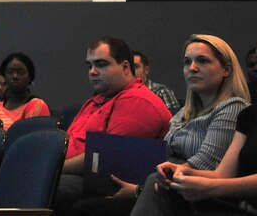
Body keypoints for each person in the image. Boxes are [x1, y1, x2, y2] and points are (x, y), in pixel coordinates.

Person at [67, 34, 249, 216]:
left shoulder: (233, 107)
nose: (192, 68)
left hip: (198, 197)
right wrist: (141, 187)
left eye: (202, 61)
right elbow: (162, 158)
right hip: (164, 188)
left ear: (226, 70)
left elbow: (204, 164)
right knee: (84, 208)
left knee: (82, 207)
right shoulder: (184, 113)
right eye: (187, 62)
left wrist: (140, 188)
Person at [131, 24, 257, 216]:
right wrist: (182, 171)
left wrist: (210, 188)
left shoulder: (235, 107)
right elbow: (222, 174)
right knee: (157, 183)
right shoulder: (252, 115)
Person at [53, 37, 171, 209]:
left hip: (106, 184)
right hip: (78, 175)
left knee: (47, 186)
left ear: (125, 67)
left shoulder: (138, 101)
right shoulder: (96, 100)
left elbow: (104, 160)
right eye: (89, 66)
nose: (92, 71)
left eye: (101, 64)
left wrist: (53, 166)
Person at [0, 52, 51, 129]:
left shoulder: (36, 105)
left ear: (30, 77)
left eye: (21, 72)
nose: (15, 76)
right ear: (4, 77)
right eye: (10, 72)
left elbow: (28, 135)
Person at [134, 50, 182, 115]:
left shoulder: (161, 91)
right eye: (129, 68)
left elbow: (176, 118)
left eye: (135, 67)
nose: (132, 71)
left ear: (146, 70)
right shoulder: (124, 95)